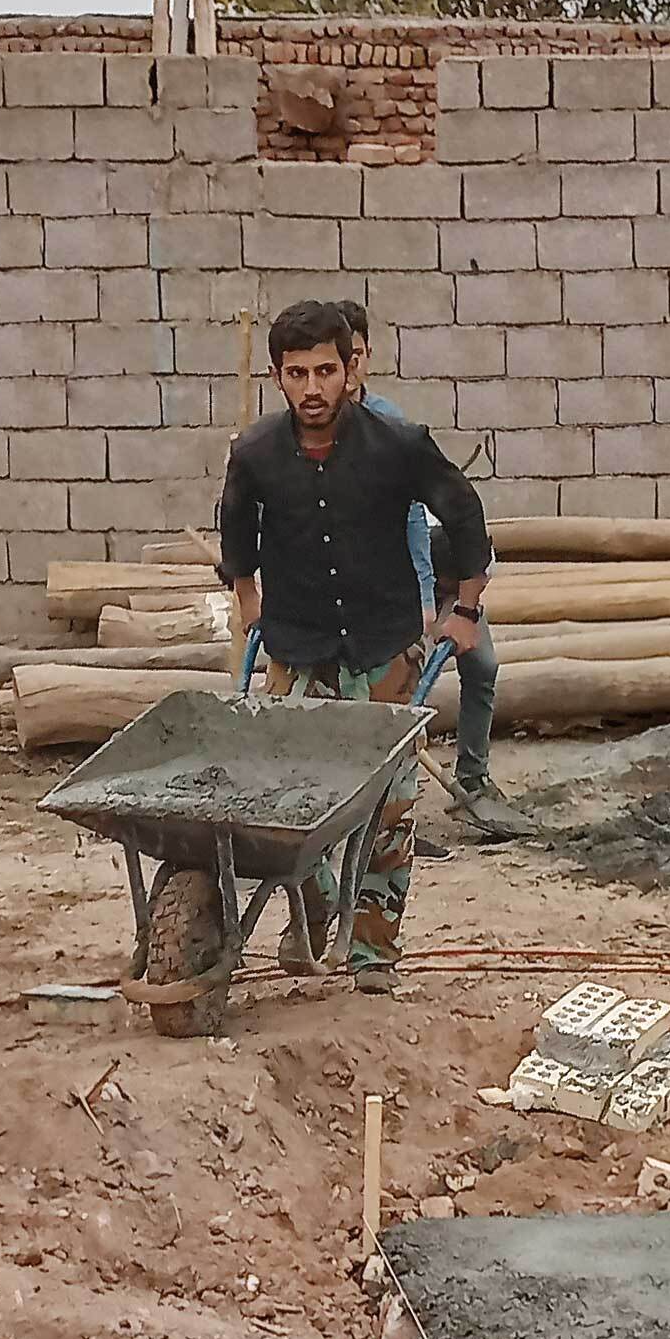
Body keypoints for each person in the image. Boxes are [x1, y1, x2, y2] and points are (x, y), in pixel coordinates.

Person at [219, 299, 492, 993]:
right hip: (298, 650)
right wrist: (247, 597)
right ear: (277, 377)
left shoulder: (396, 445)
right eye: (296, 373)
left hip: (382, 652)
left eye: (324, 371)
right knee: (289, 803)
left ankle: (373, 954)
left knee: (388, 813)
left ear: (349, 370)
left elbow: (464, 513)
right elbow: (235, 527)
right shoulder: (256, 453)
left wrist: (464, 610)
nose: (312, 388)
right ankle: (313, 914)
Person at [335, 300, 505, 824]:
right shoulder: (310, 434)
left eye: (357, 354)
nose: (350, 367)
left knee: (481, 664)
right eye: (342, 357)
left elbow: (420, 515)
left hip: (425, 574)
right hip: (369, 596)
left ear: (366, 355)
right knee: (383, 698)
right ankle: (384, 815)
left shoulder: (390, 424)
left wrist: (429, 595)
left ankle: (472, 777)